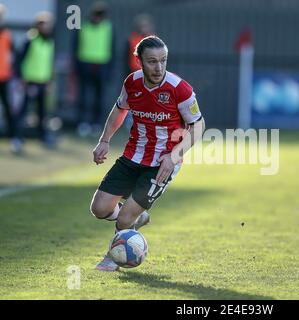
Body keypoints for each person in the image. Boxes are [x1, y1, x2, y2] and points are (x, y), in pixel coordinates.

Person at [90, 35, 206, 271]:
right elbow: (119, 109)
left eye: (163, 60)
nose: (159, 67)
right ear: (139, 62)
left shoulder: (179, 89)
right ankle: (137, 217)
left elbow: (199, 126)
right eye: (152, 61)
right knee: (99, 208)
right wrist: (104, 140)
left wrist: (173, 157)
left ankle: (113, 257)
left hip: (162, 164)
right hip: (133, 156)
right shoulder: (132, 83)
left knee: (123, 219)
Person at [74, 1, 114, 137]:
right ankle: (83, 123)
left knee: (100, 96)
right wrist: (77, 67)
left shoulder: (108, 28)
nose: (98, 18)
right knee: (84, 95)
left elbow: (112, 49)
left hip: (102, 65)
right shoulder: (83, 27)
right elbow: (75, 47)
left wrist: (110, 69)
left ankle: (97, 124)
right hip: (85, 64)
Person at [17, 11, 55, 149]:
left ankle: (43, 137)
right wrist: (21, 78)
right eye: (44, 24)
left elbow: (49, 63)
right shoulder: (30, 39)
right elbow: (19, 60)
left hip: (43, 82)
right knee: (24, 111)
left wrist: (50, 80)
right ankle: (18, 138)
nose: (46, 27)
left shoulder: (49, 41)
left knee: (42, 112)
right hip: (30, 81)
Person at [0, 4, 20, 153]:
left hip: (4, 77)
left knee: (8, 109)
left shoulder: (7, 34)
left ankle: (14, 138)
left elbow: (14, 55)